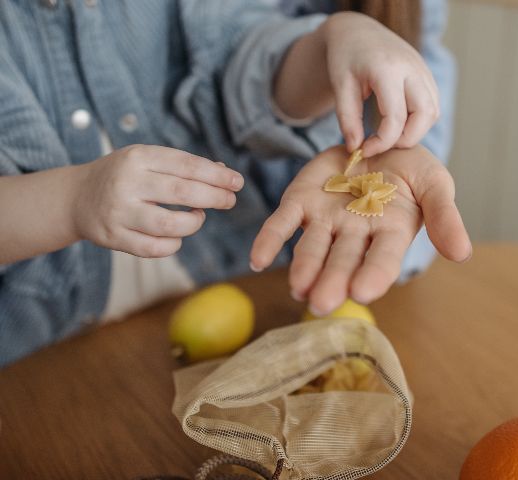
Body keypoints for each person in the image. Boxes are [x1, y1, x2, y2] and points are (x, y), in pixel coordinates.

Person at [0, 0, 471, 366]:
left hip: (228, 293)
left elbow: (238, 57)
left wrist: (335, 38)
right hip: (39, 352)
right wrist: (71, 201)